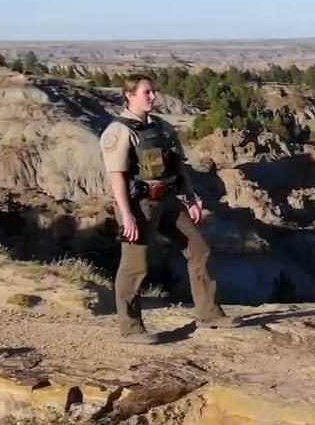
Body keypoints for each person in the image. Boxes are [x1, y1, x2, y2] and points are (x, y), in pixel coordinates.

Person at [99, 73, 236, 344]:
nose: (152, 96)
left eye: (153, 91)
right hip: (139, 204)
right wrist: (126, 215)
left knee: (199, 250)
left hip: (169, 199)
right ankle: (131, 328)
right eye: (146, 92)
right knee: (135, 265)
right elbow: (117, 176)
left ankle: (209, 313)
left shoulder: (161, 127)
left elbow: (178, 166)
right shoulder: (119, 131)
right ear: (129, 95)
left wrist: (190, 198)